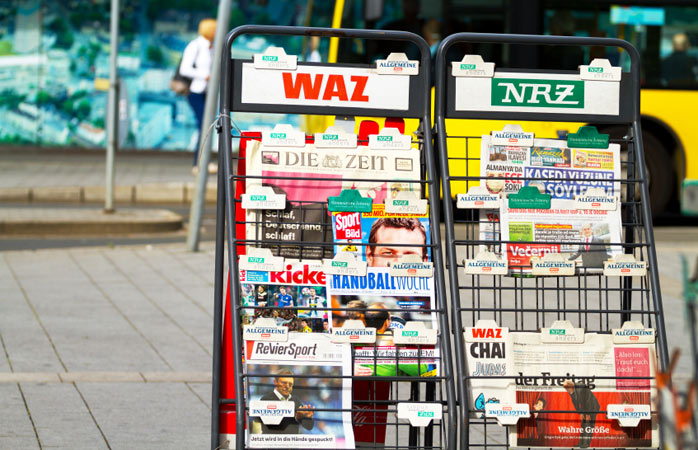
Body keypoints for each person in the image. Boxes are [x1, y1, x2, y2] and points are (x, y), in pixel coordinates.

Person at [179, 18, 216, 173]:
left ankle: (202, 162)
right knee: (204, 125)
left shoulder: (213, 47)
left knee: (207, 126)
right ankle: (198, 163)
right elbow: (184, 69)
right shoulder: (195, 46)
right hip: (196, 91)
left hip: (209, 92)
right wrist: (205, 75)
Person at [256, 369, 314, 434]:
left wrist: (308, 417)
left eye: (290, 384)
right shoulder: (266, 399)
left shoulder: (295, 400)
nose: (287, 386)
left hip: (292, 442)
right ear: (275, 382)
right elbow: (270, 426)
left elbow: (309, 427)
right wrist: (296, 417)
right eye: (284, 383)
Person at [563, 380, 600, 448]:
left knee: (588, 425)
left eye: (566, 388)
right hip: (585, 407)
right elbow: (575, 403)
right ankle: (581, 442)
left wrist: (588, 414)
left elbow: (588, 401)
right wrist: (580, 413)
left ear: (570, 386)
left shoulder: (581, 388)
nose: (566, 390)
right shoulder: (571, 390)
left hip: (592, 406)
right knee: (583, 424)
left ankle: (586, 443)